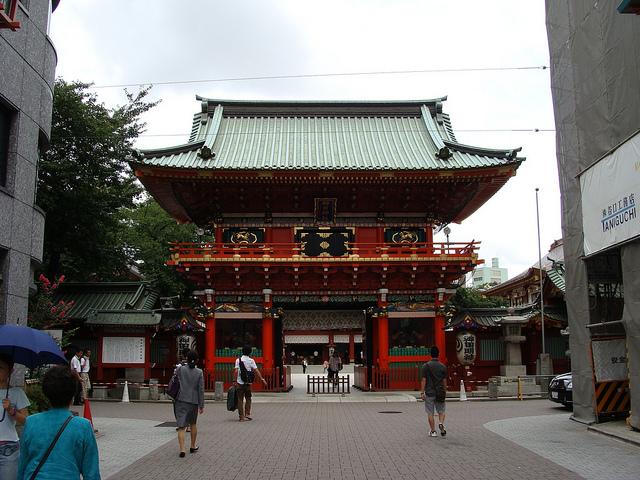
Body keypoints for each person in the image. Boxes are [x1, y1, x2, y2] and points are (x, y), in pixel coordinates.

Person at [18, 365, 100, 479]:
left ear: (46, 393)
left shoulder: (31, 422)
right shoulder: (83, 426)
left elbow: (22, 465)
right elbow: (91, 473)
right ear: (72, 396)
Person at [0, 353, 29, 480]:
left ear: (10, 371)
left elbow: (26, 421)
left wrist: (12, 411)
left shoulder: (16, 393)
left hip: (8, 448)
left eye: (0, 368)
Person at [174, 350, 204, 458]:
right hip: (193, 401)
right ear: (197, 360)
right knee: (193, 424)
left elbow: (174, 379)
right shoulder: (199, 372)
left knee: (181, 426)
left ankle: (182, 449)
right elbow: (200, 389)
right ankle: (192, 445)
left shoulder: (180, 369)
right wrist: (201, 405)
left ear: (186, 358)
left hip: (181, 399)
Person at [234, 346, 267, 422]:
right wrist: (262, 379)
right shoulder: (251, 360)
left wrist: (234, 381)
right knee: (248, 398)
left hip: (239, 382)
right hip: (248, 383)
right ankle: (247, 414)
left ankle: (241, 417)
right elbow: (256, 370)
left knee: (240, 400)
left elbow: (236, 371)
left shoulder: (238, 360)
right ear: (250, 352)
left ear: (242, 351)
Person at [420, 346, 448, 438]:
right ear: (438, 354)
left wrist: (422, 392)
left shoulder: (425, 366)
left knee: (430, 413)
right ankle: (441, 423)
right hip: (440, 392)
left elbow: (424, 380)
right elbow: (444, 381)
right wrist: (445, 390)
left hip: (429, 392)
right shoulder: (442, 366)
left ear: (430, 355)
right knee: (441, 411)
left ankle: (433, 431)